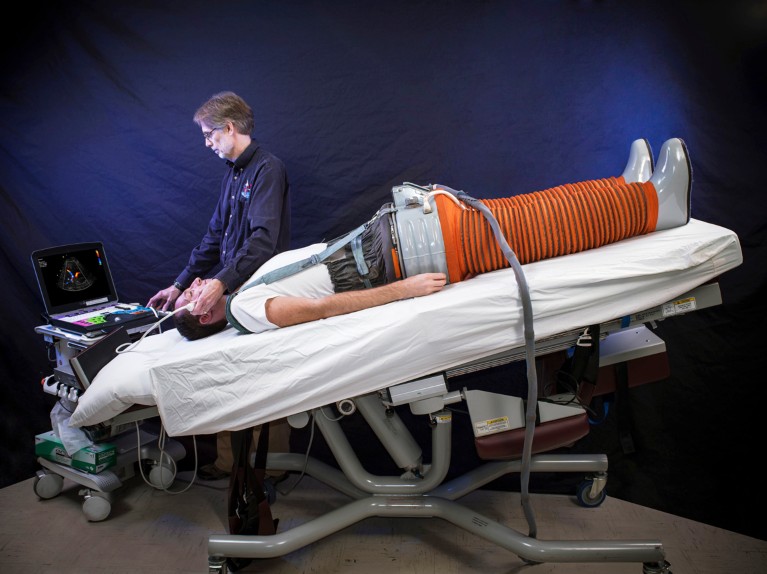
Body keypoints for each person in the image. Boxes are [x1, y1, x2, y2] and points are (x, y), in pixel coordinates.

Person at [172, 137, 689, 341]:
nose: (197, 287)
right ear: (204, 314)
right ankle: (653, 207)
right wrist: (403, 290)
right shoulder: (251, 309)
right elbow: (325, 309)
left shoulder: (244, 288)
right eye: (193, 297)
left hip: (396, 236)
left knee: (530, 211)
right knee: (535, 223)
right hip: (403, 260)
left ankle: (630, 192)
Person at [148, 91, 292, 481]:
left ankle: (271, 468)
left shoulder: (267, 169)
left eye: (209, 134)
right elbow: (214, 238)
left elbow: (262, 241)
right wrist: (179, 286)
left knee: (260, 381)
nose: (207, 143)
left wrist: (218, 283)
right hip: (229, 288)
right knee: (231, 378)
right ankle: (231, 462)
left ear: (229, 128)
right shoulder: (232, 174)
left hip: (255, 290)